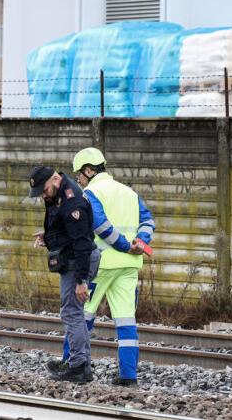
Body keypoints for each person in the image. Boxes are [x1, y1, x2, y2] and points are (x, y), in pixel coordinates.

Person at [72, 147, 155, 387]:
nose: (77, 178)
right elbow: (148, 220)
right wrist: (140, 242)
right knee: (126, 321)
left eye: (79, 173)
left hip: (102, 265)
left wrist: (123, 245)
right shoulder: (128, 192)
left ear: (89, 170)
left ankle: (74, 365)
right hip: (129, 266)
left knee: (82, 316)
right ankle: (128, 376)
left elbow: (100, 225)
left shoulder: (90, 193)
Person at [28, 166, 95, 383]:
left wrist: (81, 280)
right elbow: (66, 231)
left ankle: (78, 367)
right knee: (74, 312)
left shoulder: (71, 200)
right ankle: (81, 364)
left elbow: (82, 243)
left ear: (55, 179)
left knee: (71, 313)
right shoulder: (58, 195)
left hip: (79, 261)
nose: (43, 195)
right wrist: (48, 237)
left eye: (44, 190)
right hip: (73, 258)